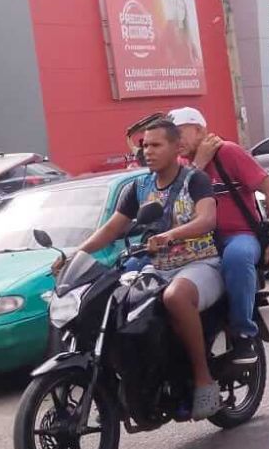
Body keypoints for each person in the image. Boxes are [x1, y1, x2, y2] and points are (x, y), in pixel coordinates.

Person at [71, 119, 225, 420]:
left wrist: (171, 235)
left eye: (156, 145)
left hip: (200, 264)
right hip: (158, 269)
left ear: (176, 147)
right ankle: (134, 382)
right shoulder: (138, 187)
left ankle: (203, 379)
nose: (148, 151)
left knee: (175, 297)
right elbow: (111, 229)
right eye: (144, 146)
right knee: (116, 303)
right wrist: (76, 255)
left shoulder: (194, 180)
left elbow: (207, 220)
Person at [168, 107, 269, 366]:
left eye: (179, 133)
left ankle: (243, 332)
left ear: (199, 130)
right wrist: (198, 165)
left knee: (236, 256)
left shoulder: (228, 153)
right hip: (196, 243)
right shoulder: (181, 166)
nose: (175, 141)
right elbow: (174, 206)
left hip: (238, 236)